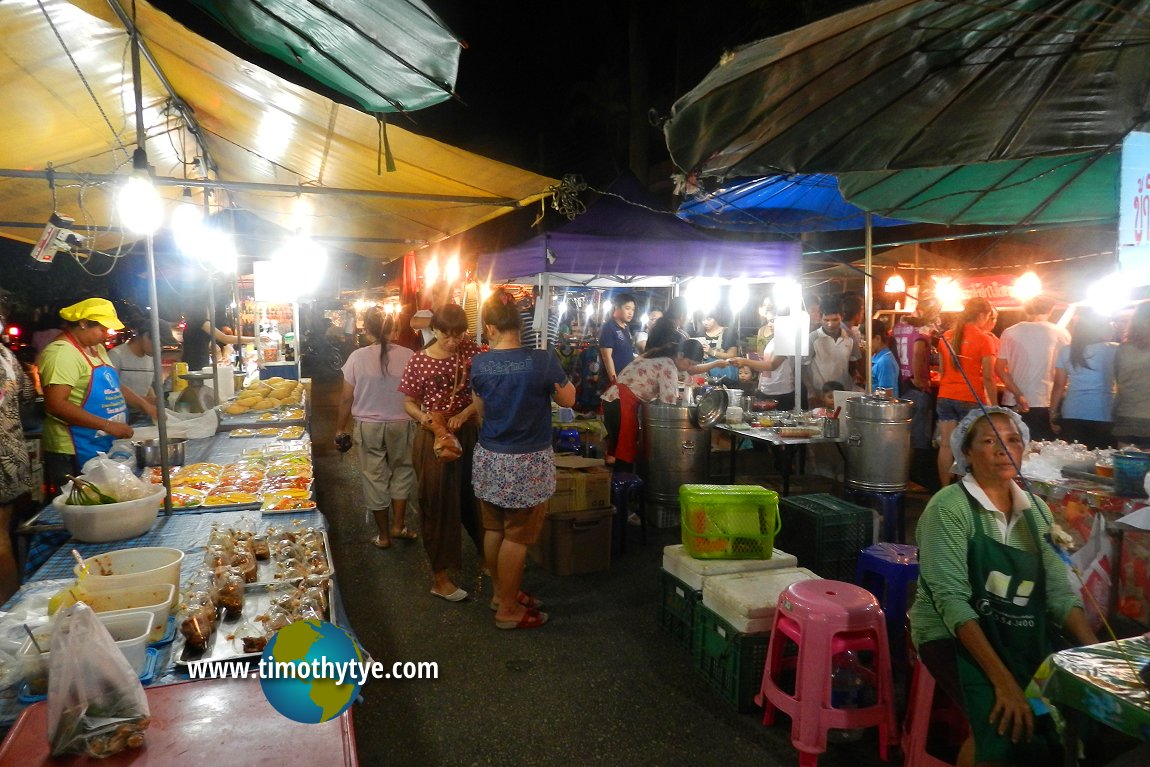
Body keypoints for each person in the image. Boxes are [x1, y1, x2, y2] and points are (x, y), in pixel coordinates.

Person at [910, 407, 1097, 767]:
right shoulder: (948, 509)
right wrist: (1004, 681)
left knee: (1073, 710)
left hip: (1019, 629)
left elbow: (1059, 593)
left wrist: (1097, 655)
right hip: (949, 634)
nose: (1003, 449)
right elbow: (952, 602)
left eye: (1012, 440)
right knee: (1005, 725)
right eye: (989, 441)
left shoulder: (1038, 512)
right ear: (966, 452)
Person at [470, 290, 575, 630]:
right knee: (517, 536)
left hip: (490, 456)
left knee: (494, 527)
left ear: (490, 327)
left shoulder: (480, 363)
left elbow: (481, 410)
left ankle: (502, 595)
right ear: (519, 324)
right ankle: (508, 611)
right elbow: (568, 399)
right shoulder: (541, 360)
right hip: (526, 461)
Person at [399, 304, 482, 602]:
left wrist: (468, 411)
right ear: (433, 330)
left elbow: (483, 392)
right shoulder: (419, 361)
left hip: (469, 433)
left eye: (458, 335)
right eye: (447, 335)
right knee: (435, 503)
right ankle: (440, 577)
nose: (452, 341)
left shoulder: (472, 353)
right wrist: (427, 420)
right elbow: (409, 402)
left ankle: (490, 559)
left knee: (475, 499)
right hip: (433, 439)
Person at [38, 299, 153, 494]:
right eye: (102, 328)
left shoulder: (96, 348)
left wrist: (144, 404)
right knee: (83, 505)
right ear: (83, 323)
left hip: (99, 442)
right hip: (72, 450)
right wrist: (108, 426)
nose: (107, 334)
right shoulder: (62, 354)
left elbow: (113, 384)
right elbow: (55, 404)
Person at [335, 307, 417, 549]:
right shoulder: (409, 355)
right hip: (402, 424)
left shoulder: (357, 357)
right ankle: (398, 525)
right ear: (393, 328)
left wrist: (339, 429)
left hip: (369, 427)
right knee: (402, 471)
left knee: (374, 477)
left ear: (366, 329)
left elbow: (345, 399)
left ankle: (383, 536)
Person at [601, 339, 709, 467]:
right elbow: (668, 404)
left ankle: (615, 482)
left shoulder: (661, 358)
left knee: (618, 451)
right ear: (680, 355)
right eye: (689, 363)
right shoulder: (668, 365)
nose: (690, 368)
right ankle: (624, 484)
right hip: (621, 403)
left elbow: (678, 383)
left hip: (612, 400)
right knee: (624, 452)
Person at [936, 298, 998, 486]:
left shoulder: (946, 336)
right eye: (987, 316)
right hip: (970, 399)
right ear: (981, 315)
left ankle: (944, 489)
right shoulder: (984, 339)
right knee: (968, 447)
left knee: (946, 445)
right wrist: (994, 406)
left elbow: (941, 371)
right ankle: (966, 491)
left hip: (945, 395)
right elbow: (988, 377)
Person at [994, 297, 1069, 442]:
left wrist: (1018, 393)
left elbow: (999, 368)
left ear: (1026, 309)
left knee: (1013, 447)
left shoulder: (1009, 332)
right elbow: (1064, 372)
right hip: (1044, 401)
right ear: (1051, 309)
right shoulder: (1061, 333)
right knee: (1040, 451)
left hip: (1013, 401)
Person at [0, 314, 35, 602]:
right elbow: (27, 394)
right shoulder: (7, 356)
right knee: (3, 535)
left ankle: (6, 609)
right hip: (12, 455)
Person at [1049, 309, 1116, 450]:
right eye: (1108, 324)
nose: (1112, 326)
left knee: (1073, 461)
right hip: (1103, 411)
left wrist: (1052, 413)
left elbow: (1058, 386)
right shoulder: (1113, 350)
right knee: (1101, 461)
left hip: (1072, 411)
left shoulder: (1067, 351)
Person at [893, 299, 940, 486]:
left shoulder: (899, 327)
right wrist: (920, 379)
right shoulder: (922, 331)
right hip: (915, 387)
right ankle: (907, 478)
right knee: (915, 436)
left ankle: (900, 474)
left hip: (901, 385)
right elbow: (919, 353)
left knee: (904, 434)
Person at [108, 319, 177, 424]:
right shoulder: (116, 355)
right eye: (159, 344)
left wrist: (154, 402)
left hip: (142, 415)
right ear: (146, 336)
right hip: (119, 417)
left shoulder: (151, 358)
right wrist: (145, 403)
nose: (160, 349)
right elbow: (111, 391)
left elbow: (148, 386)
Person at [804, 296, 861, 407]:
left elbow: (854, 363)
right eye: (826, 320)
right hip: (819, 396)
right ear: (821, 318)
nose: (830, 324)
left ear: (842, 317)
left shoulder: (850, 337)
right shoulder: (812, 338)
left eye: (835, 320)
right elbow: (803, 368)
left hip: (843, 394)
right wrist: (812, 393)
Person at [181, 305, 253, 370]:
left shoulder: (191, 323)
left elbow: (202, 343)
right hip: (197, 364)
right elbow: (225, 338)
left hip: (190, 362)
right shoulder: (203, 323)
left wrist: (222, 356)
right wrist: (254, 339)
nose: (213, 311)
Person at [598, 293, 637, 386]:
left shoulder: (626, 327)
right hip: (613, 381)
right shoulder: (608, 327)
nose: (630, 312)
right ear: (617, 307)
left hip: (626, 379)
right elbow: (606, 357)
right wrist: (614, 382)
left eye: (633, 309)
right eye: (627, 308)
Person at [700, 308, 739, 382]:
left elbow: (732, 355)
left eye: (709, 319)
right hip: (704, 374)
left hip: (723, 375)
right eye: (703, 319)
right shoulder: (700, 333)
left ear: (716, 318)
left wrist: (712, 352)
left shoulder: (727, 333)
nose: (705, 322)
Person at [869, 319, 899, 396]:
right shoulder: (876, 356)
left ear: (878, 339)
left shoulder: (885, 362)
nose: (864, 344)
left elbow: (886, 395)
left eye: (867, 339)